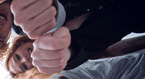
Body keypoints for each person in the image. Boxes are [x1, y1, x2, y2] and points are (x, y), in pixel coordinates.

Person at [9, 0, 145, 72]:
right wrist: (66, 54)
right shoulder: (66, 59)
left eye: (17, 57)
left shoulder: (30, 16)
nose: (25, 59)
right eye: (24, 66)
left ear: (19, 45)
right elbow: (79, 51)